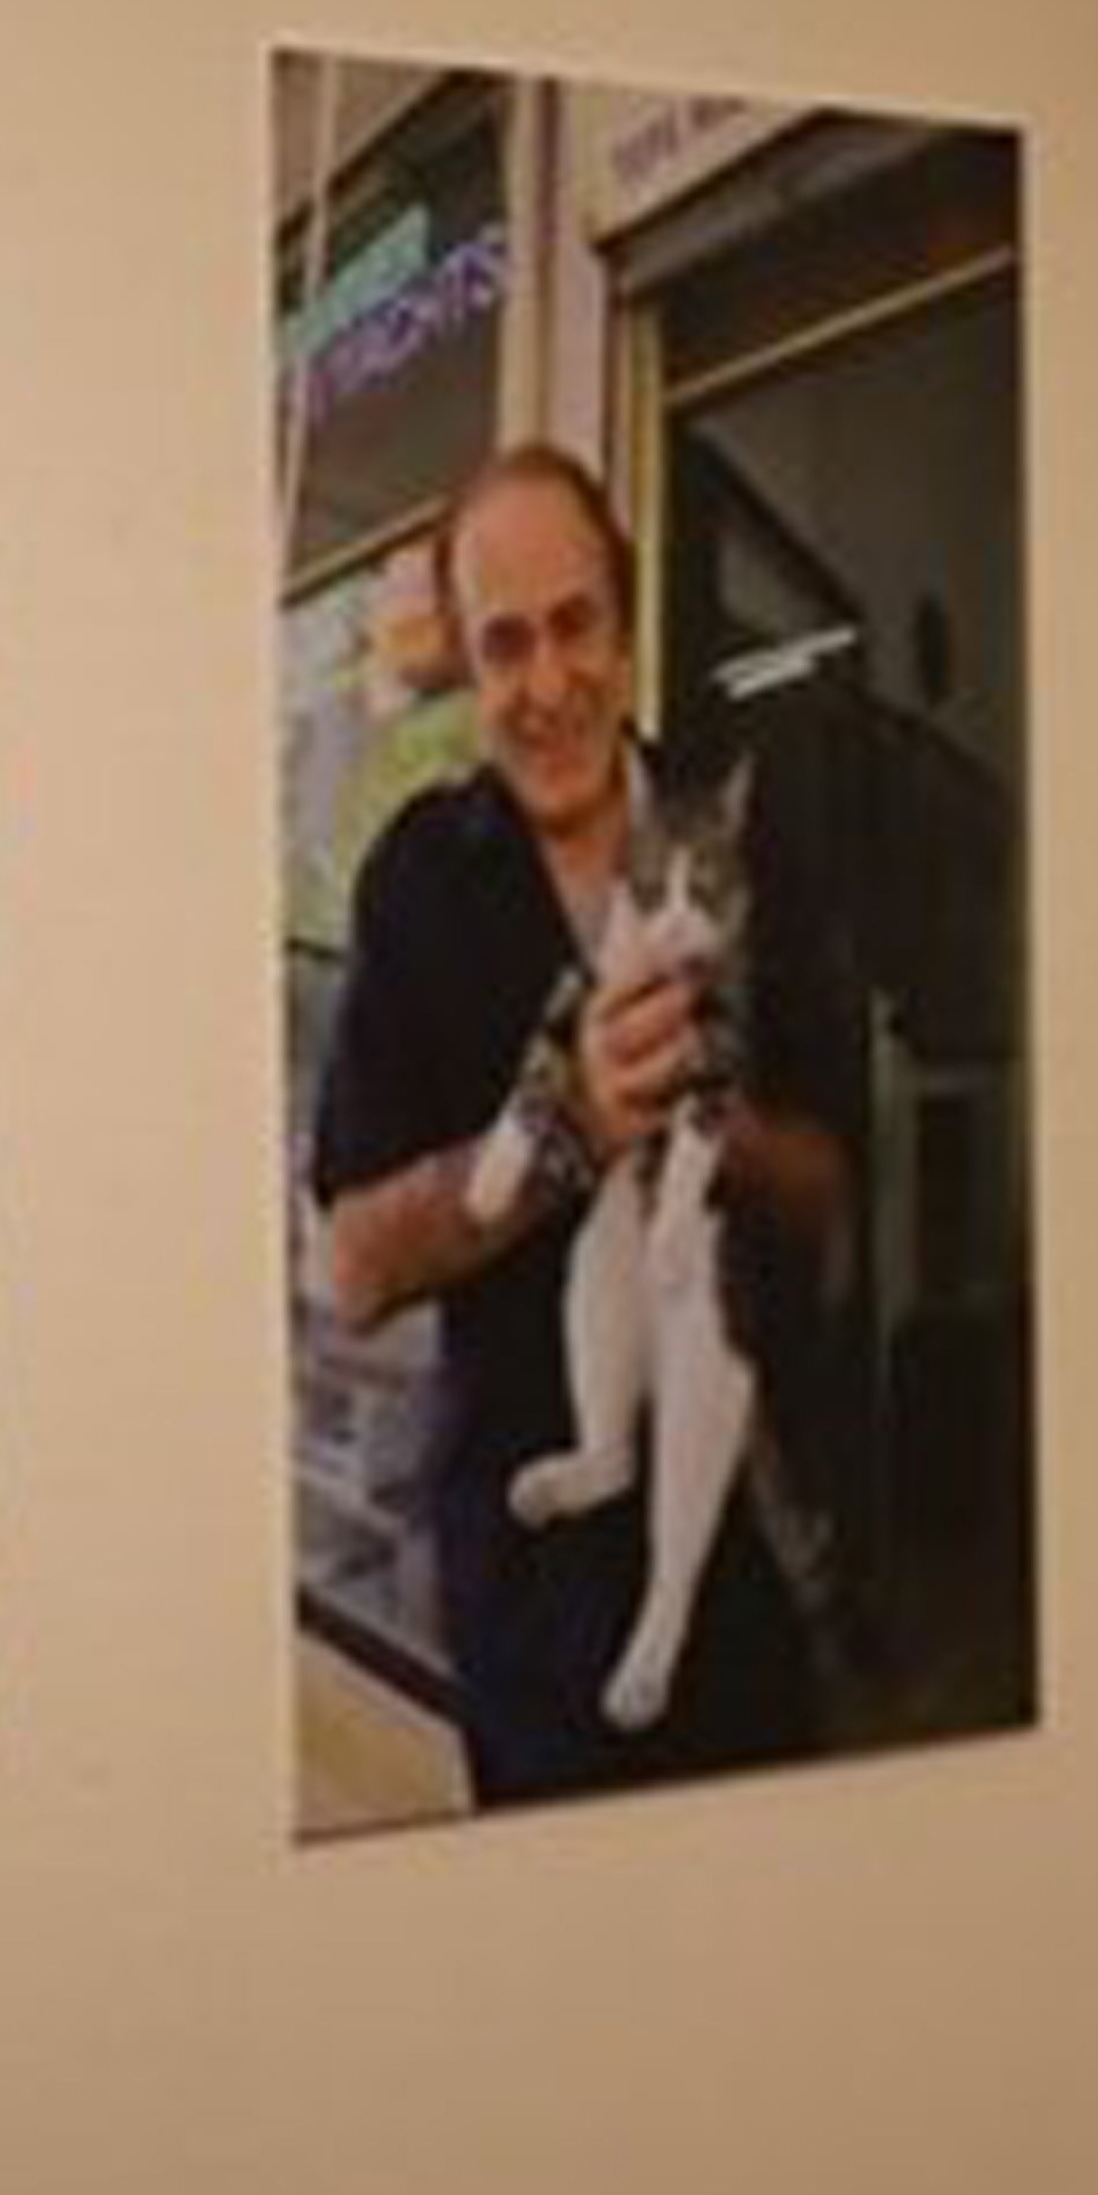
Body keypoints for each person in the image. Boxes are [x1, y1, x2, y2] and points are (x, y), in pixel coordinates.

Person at [302, 439, 850, 1799]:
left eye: (574, 627)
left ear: (627, 619)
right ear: (466, 670)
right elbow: (350, 1265)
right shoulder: (418, 883)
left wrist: (711, 1124)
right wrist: (573, 1129)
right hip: (530, 1597)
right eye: (502, 647)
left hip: (744, 1575)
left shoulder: (749, 847)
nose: (546, 685)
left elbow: (835, 1189)